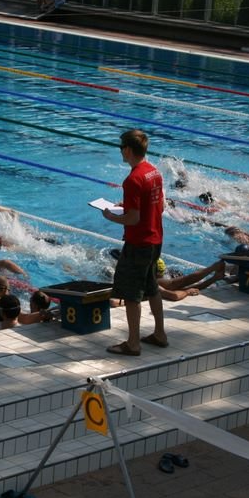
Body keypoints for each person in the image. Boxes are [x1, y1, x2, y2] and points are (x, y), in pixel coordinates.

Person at [102, 129, 167, 355]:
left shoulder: (133, 179)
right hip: (155, 239)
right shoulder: (153, 172)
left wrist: (111, 216)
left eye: (121, 147)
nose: (120, 151)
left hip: (139, 243)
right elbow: (161, 206)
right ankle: (160, 333)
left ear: (128, 150)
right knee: (152, 288)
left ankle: (133, 343)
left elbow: (134, 218)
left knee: (131, 294)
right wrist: (128, 206)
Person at [157, 259, 226, 301]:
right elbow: (175, 295)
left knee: (176, 284)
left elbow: (179, 291)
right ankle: (214, 270)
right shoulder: (153, 281)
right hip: (168, 276)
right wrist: (187, 292)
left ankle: (213, 270)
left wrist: (213, 278)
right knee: (176, 285)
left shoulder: (156, 280)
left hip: (171, 274)